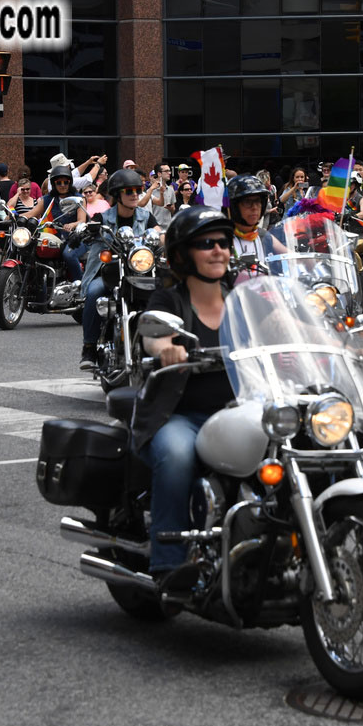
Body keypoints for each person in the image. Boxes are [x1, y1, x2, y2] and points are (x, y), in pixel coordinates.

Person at [132, 206, 235, 590]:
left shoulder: (241, 298)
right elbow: (153, 334)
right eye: (206, 243)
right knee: (176, 455)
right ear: (182, 254)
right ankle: (170, 565)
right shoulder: (169, 300)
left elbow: (280, 325)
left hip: (241, 413)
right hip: (181, 416)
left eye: (223, 243)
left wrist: (341, 346)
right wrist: (165, 348)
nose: (218, 251)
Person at [78, 168, 154, 370]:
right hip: (109, 272)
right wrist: (82, 231)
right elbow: (89, 228)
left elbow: (159, 233)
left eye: (138, 190)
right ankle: (89, 348)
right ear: (118, 194)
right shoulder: (104, 218)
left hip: (139, 272)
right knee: (94, 293)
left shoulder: (146, 217)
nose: (135, 195)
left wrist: (168, 237)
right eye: (129, 191)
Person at [225, 175, 285, 280]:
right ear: (234, 206)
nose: (255, 207)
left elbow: (290, 256)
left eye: (258, 201)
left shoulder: (262, 235)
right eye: (248, 202)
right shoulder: (223, 239)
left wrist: (314, 263)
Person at [139, 163, 176, 228]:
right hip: (155, 226)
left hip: (168, 226)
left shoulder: (171, 190)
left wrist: (171, 208)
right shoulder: (149, 191)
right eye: (166, 171)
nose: (169, 173)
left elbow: (164, 205)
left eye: (169, 171)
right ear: (159, 174)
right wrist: (151, 189)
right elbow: (142, 205)